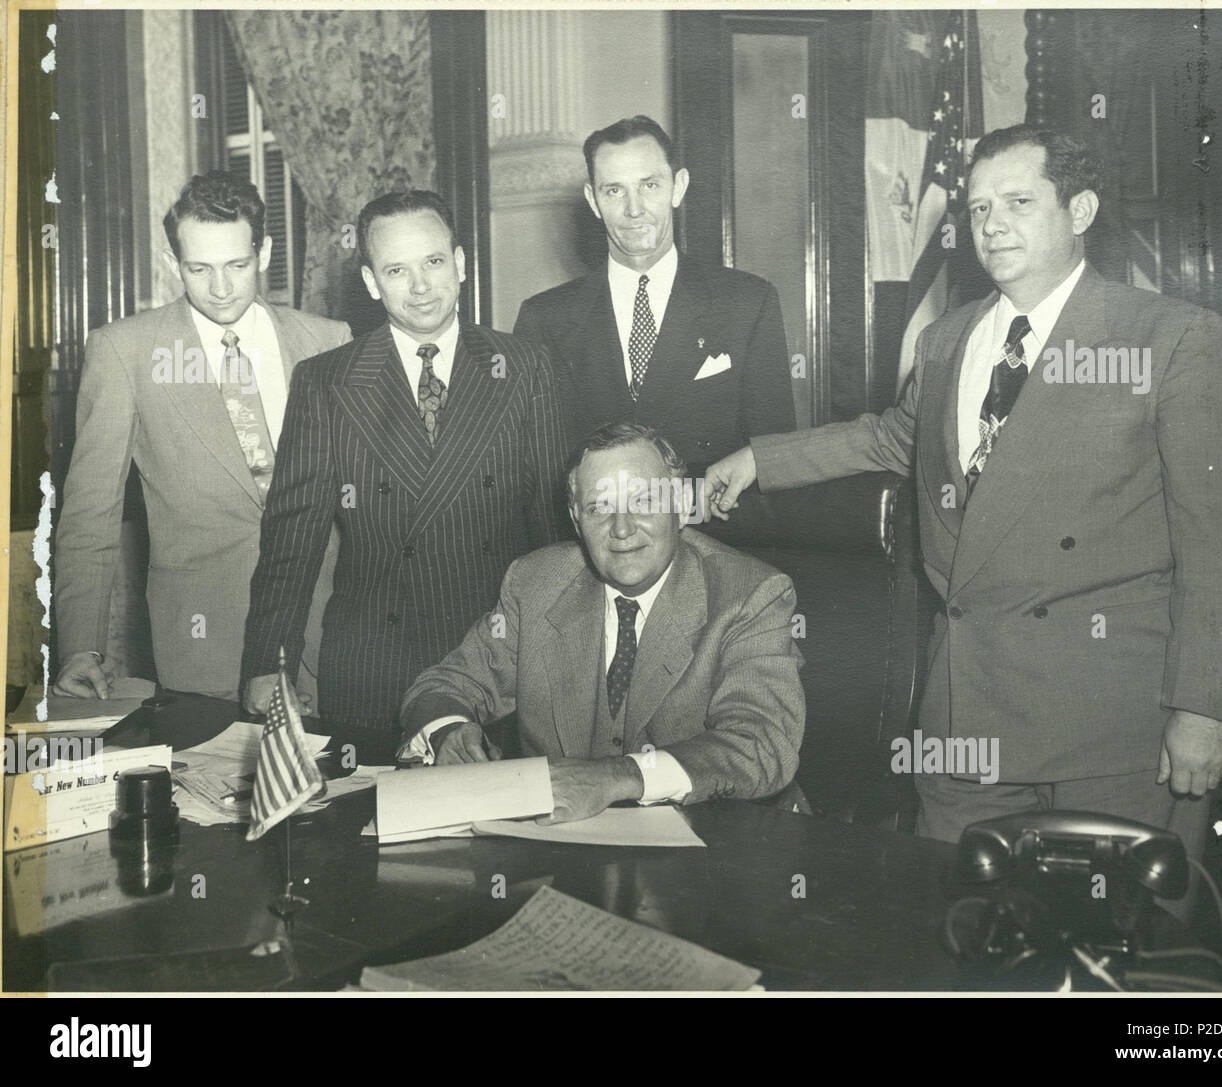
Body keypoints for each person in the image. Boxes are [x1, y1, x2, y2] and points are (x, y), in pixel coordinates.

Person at [702, 125, 1222, 865]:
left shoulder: (1171, 339)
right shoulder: (948, 339)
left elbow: (1219, 546)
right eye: (979, 208)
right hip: (965, 721)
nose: (992, 224)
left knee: (1111, 935)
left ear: (1081, 210)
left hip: (1115, 730)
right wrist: (759, 457)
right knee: (955, 917)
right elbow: (892, 438)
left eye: (1019, 202)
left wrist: (1203, 709)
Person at [242, 190, 567, 730]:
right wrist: (266, 662)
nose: (420, 286)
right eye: (396, 270)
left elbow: (553, 533)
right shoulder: (326, 381)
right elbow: (292, 539)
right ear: (371, 282)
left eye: (434, 262)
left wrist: (561, 653)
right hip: (375, 664)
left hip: (496, 660)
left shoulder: (523, 366)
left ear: (460, 264)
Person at [397, 423, 805, 823]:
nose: (621, 529)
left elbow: (762, 743)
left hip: (713, 838)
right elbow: (443, 686)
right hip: (562, 845)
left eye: (643, 502)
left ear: (681, 505)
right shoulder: (535, 583)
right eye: (599, 508)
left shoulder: (750, 594)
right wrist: (448, 732)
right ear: (576, 520)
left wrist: (617, 777)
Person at [53, 171, 351, 704]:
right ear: (174, 264)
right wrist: (81, 647)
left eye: (237, 265)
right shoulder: (125, 352)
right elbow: (89, 512)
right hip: (204, 637)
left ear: (264, 252)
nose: (221, 288)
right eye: (200, 268)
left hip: (330, 630)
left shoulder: (328, 341)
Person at [514, 115, 796, 477]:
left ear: (678, 187)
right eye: (614, 191)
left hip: (705, 512)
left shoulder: (748, 303)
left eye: (649, 185)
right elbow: (534, 470)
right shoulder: (544, 318)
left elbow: (772, 460)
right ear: (593, 200)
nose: (634, 209)